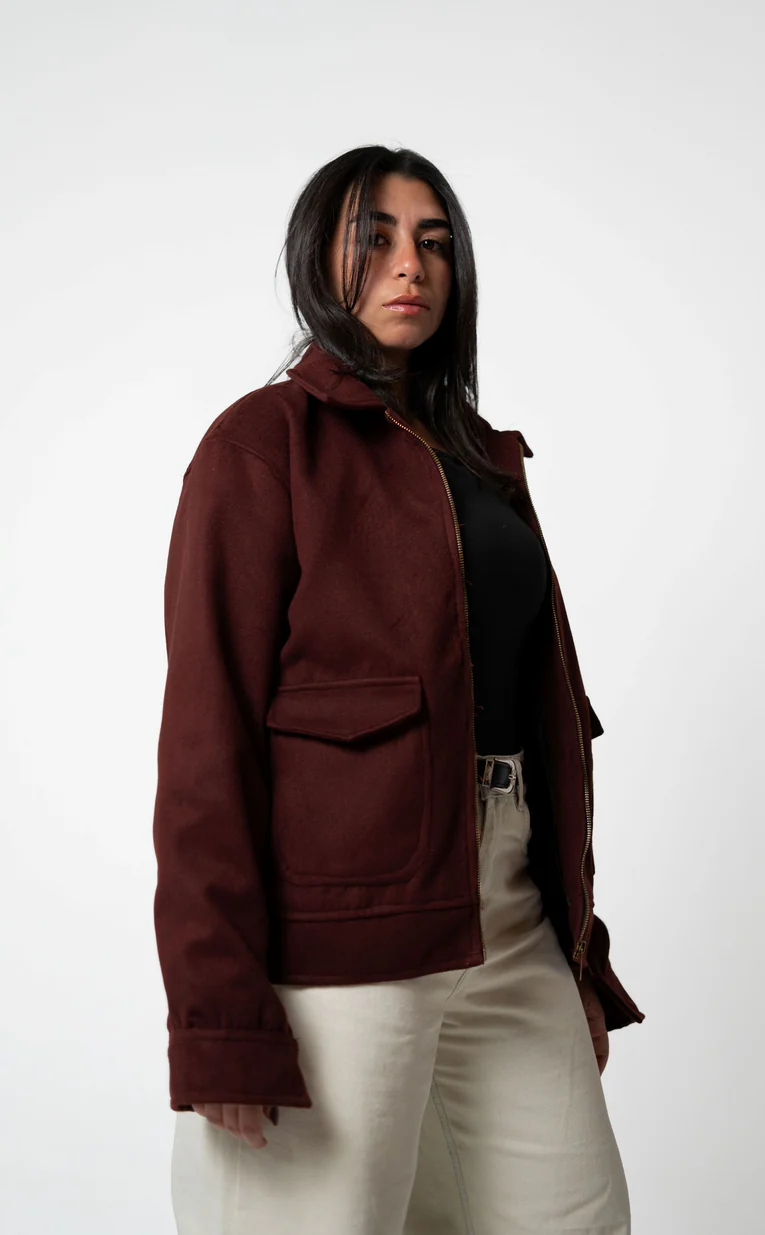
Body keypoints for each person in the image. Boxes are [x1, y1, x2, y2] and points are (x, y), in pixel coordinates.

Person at [152, 144, 645, 1235]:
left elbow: (544, 718)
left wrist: (577, 948)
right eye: (371, 238)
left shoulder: (481, 458)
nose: (409, 265)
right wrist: (219, 1013)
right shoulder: (260, 446)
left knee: (578, 1216)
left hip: (508, 918)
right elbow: (204, 745)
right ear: (315, 259)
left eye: (432, 242)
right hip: (339, 938)